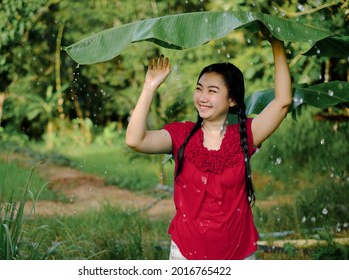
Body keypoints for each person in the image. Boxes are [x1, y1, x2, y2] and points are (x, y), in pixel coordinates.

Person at [125, 31, 292, 260]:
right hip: (186, 255)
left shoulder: (246, 135)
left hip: (238, 255)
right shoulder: (181, 135)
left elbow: (283, 101)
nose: (202, 97)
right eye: (199, 88)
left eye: (212, 91)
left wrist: (276, 44)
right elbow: (135, 140)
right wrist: (149, 86)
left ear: (232, 100)